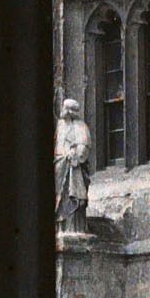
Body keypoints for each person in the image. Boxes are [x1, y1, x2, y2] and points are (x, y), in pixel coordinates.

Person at [55, 96, 92, 231]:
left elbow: (84, 147)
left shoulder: (80, 127)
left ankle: (72, 228)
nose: (62, 110)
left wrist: (74, 154)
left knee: (71, 196)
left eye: (65, 108)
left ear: (70, 111)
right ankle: (60, 227)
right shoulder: (59, 126)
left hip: (72, 168)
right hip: (58, 166)